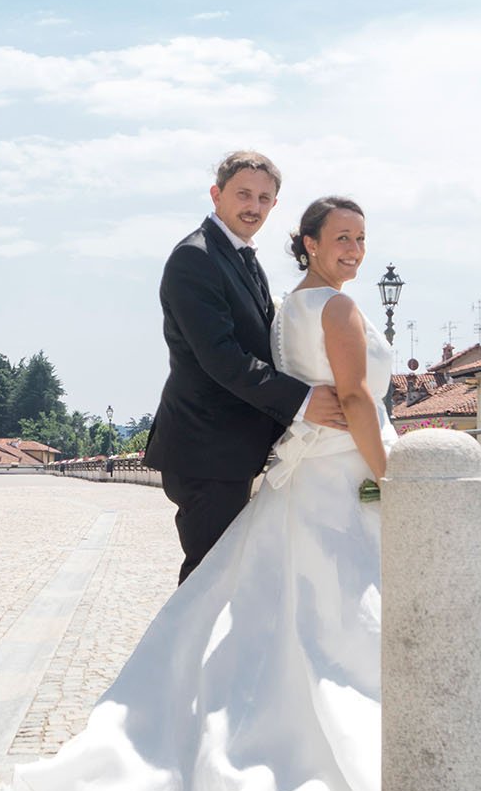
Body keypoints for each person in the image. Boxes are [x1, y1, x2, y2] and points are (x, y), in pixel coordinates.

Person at [0, 196, 481, 791]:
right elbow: (358, 397)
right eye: (341, 238)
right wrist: (391, 476)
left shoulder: (286, 312)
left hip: (304, 477)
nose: (354, 250)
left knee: (288, 613)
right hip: (345, 475)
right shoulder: (335, 308)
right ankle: (434, 747)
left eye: (361, 238)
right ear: (306, 242)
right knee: (370, 613)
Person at [141, 151, 347, 583]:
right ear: (217, 195)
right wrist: (304, 400)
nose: (253, 206)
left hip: (232, 449)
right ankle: (179, 653)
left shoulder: (240, 256)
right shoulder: (194, 258)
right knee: (210, 582)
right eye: (243, 194)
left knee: (227, 579)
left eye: (265, 198)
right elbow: (222, 358)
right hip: (206, 449)